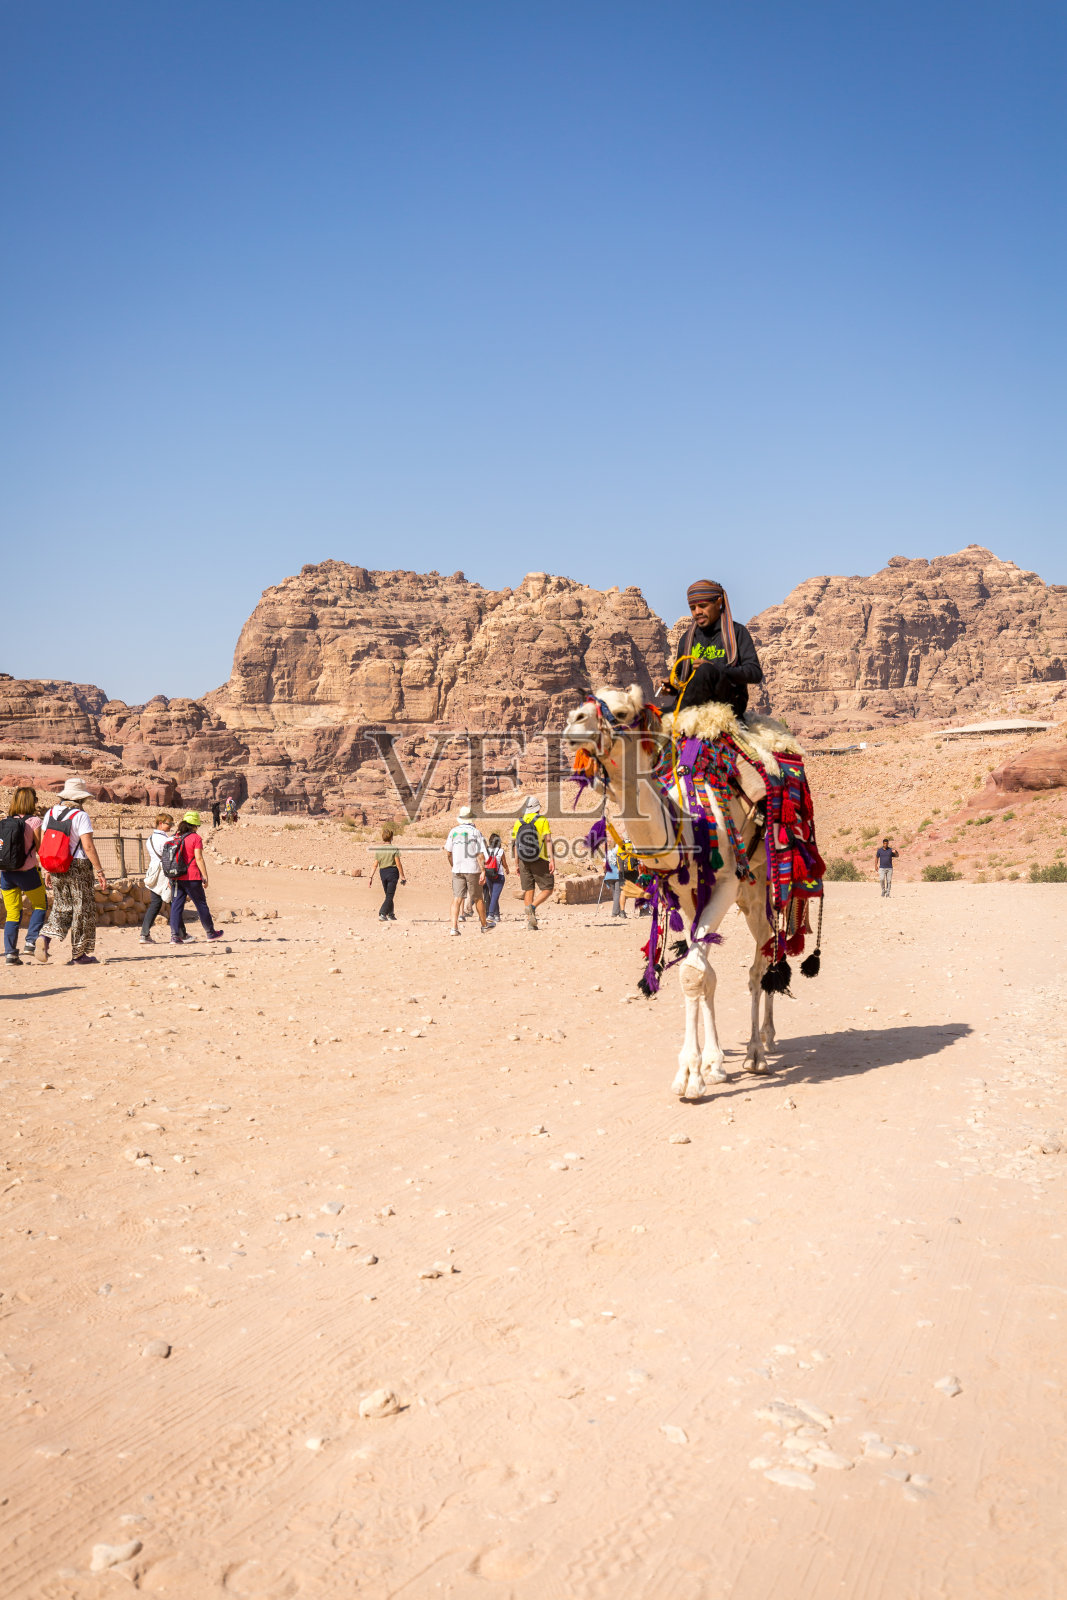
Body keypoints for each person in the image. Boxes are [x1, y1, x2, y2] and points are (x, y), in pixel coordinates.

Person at [657, 580, 764, 720]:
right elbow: (683, 680)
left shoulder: (737, 632)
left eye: (702, 606)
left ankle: (677, 715)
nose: (697, 612)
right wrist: (671, 686)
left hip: (728, 703)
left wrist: (716, 669)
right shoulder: (687, 639)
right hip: (693, 703)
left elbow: (755, 673)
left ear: (719, 602)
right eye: (693, 608)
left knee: (705, 670)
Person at [38, 778, 108, 965]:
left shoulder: (50, 813)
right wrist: (100, 871)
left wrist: (47, 870)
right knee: (82, 909)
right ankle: (79, 954)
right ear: (81, 798)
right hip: (78, 866)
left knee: (61, 906)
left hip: (56, 865)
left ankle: (44, 938)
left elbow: (46, 843)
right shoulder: (80, 815)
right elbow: (88, 846)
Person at [1, 787, 47, 966]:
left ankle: (10, 955)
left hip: (5, 873)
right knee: (40, 904)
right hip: (27, 872)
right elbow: (40, 848)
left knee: (12, 913)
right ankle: (30, 941)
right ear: (31, 801)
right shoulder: (35, 822)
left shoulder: (5, 821)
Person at [168, 812, 224, 944]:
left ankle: (175, 936)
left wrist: (169, 878)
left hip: (175, 877)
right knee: (201, 904)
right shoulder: (195, 838)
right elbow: (198, 858)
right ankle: (210, 933)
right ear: (194, 825)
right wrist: (204, 876)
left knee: (176, 906)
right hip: (192, 877)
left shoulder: (174, 837)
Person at [140, 812, 187, 944]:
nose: (170, 826)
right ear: (161, 823)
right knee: (174, 903)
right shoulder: (165, 840)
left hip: (153, 871)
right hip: (164, 873)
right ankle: (181, 934)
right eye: (169, 824)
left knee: (155, 904)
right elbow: (169, 858)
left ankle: (144, 934)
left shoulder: (150, 839)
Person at [443, 805, 490, 935]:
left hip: (457, 869)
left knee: (457, 898)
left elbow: (448, 852)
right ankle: (484, 925)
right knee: (478, 898)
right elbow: (480, 854)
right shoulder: (476, 832)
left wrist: (453, 865)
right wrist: (483, 870)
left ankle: (454, 928)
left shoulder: (453, 832)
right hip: (472, 869)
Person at [511, 796, 554, 932]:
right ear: (538, 808)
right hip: (539, 859)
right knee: (548, 888)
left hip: (523, 860)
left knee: (529, 890)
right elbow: (548, 841)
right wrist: (552, 859)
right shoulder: (542, 820)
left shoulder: (519, 822)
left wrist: (516, 863)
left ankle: (531, 922)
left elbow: (516, 845)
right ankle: (533, 907)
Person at [368, 824, 405, 921]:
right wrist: (402, 876)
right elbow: (398, 864)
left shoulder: (379, 850)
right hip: (392, 873)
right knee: (389, 895)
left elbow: (375, 865)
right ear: (392, 837)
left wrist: (370, 877)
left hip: (383, 873)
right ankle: (382, 913)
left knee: (389, 895)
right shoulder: (394, 849)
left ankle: (391, 914)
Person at [483, 831, 509, 925]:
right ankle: (491, 915)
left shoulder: (486, 850)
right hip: (499, 875)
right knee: (494, 896)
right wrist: (507, 869)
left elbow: (483, 862)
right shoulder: (500, 851)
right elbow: (504, 863)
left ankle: (497, 915)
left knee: (493, 895)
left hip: (488, 875)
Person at [603, 841, 627, 919]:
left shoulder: (607, 853)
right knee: (618, 893)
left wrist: (605, 871)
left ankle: (619, 911)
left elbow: (604, 865)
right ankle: (615, 912)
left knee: (615, 894)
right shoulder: (617, 852)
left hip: (609, 875)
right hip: (617, 874)